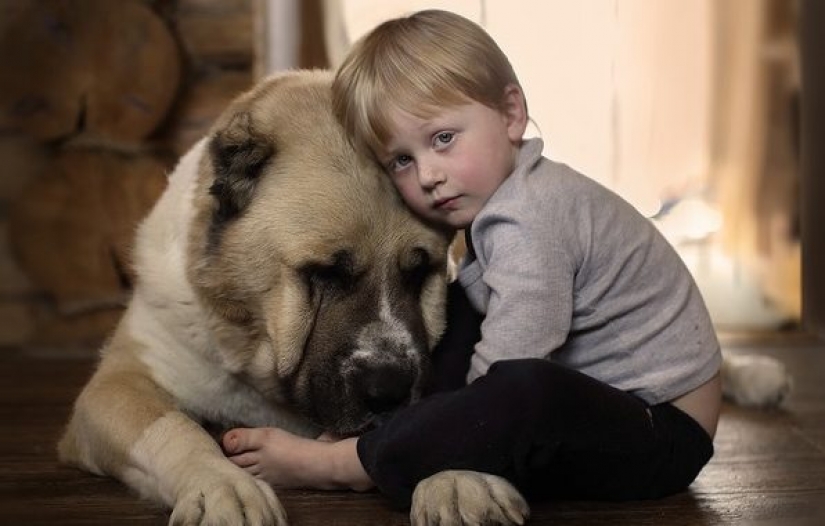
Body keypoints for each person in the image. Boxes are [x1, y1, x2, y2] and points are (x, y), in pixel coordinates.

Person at [222, 8, 722, 509]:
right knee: (457, 311)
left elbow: (510, 368)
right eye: (402, 159)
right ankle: (392, 432)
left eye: (443, 139)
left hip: (660, 431)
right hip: (604, 407)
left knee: (523, 387)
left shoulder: (533, 218)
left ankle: (348, 464)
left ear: (511, 115)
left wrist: (446, 427)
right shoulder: (505, 203)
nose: (428, 175)